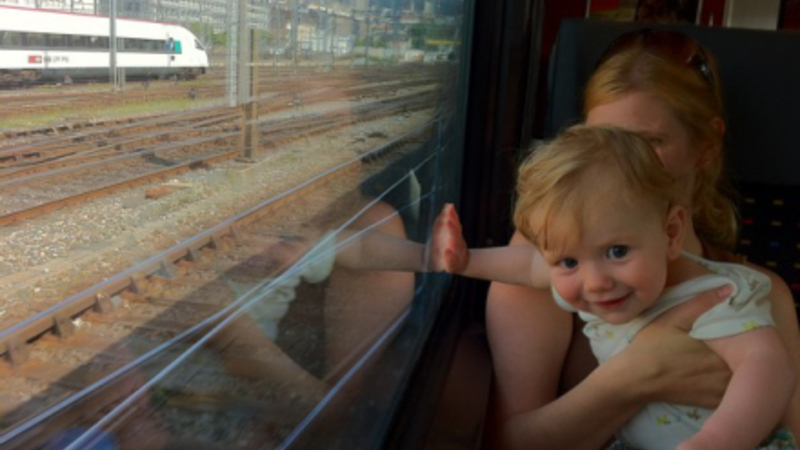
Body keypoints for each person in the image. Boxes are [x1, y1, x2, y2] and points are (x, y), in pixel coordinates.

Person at [481, 29, 800, 450]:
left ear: (705, 147)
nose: (622, 163)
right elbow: (507, 443)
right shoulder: (549, 265)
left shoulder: (757, 292)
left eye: (649, 143)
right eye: (604, 141)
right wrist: (635, 376)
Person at [431, 124, 796, 450]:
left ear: (671, 233)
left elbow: (768, 366)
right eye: (568, 261)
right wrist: (466, 261)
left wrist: (714, 441)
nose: (595, 282)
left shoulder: (714, 294)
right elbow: (528, 265)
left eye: (617, 251)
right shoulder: (594, 279)